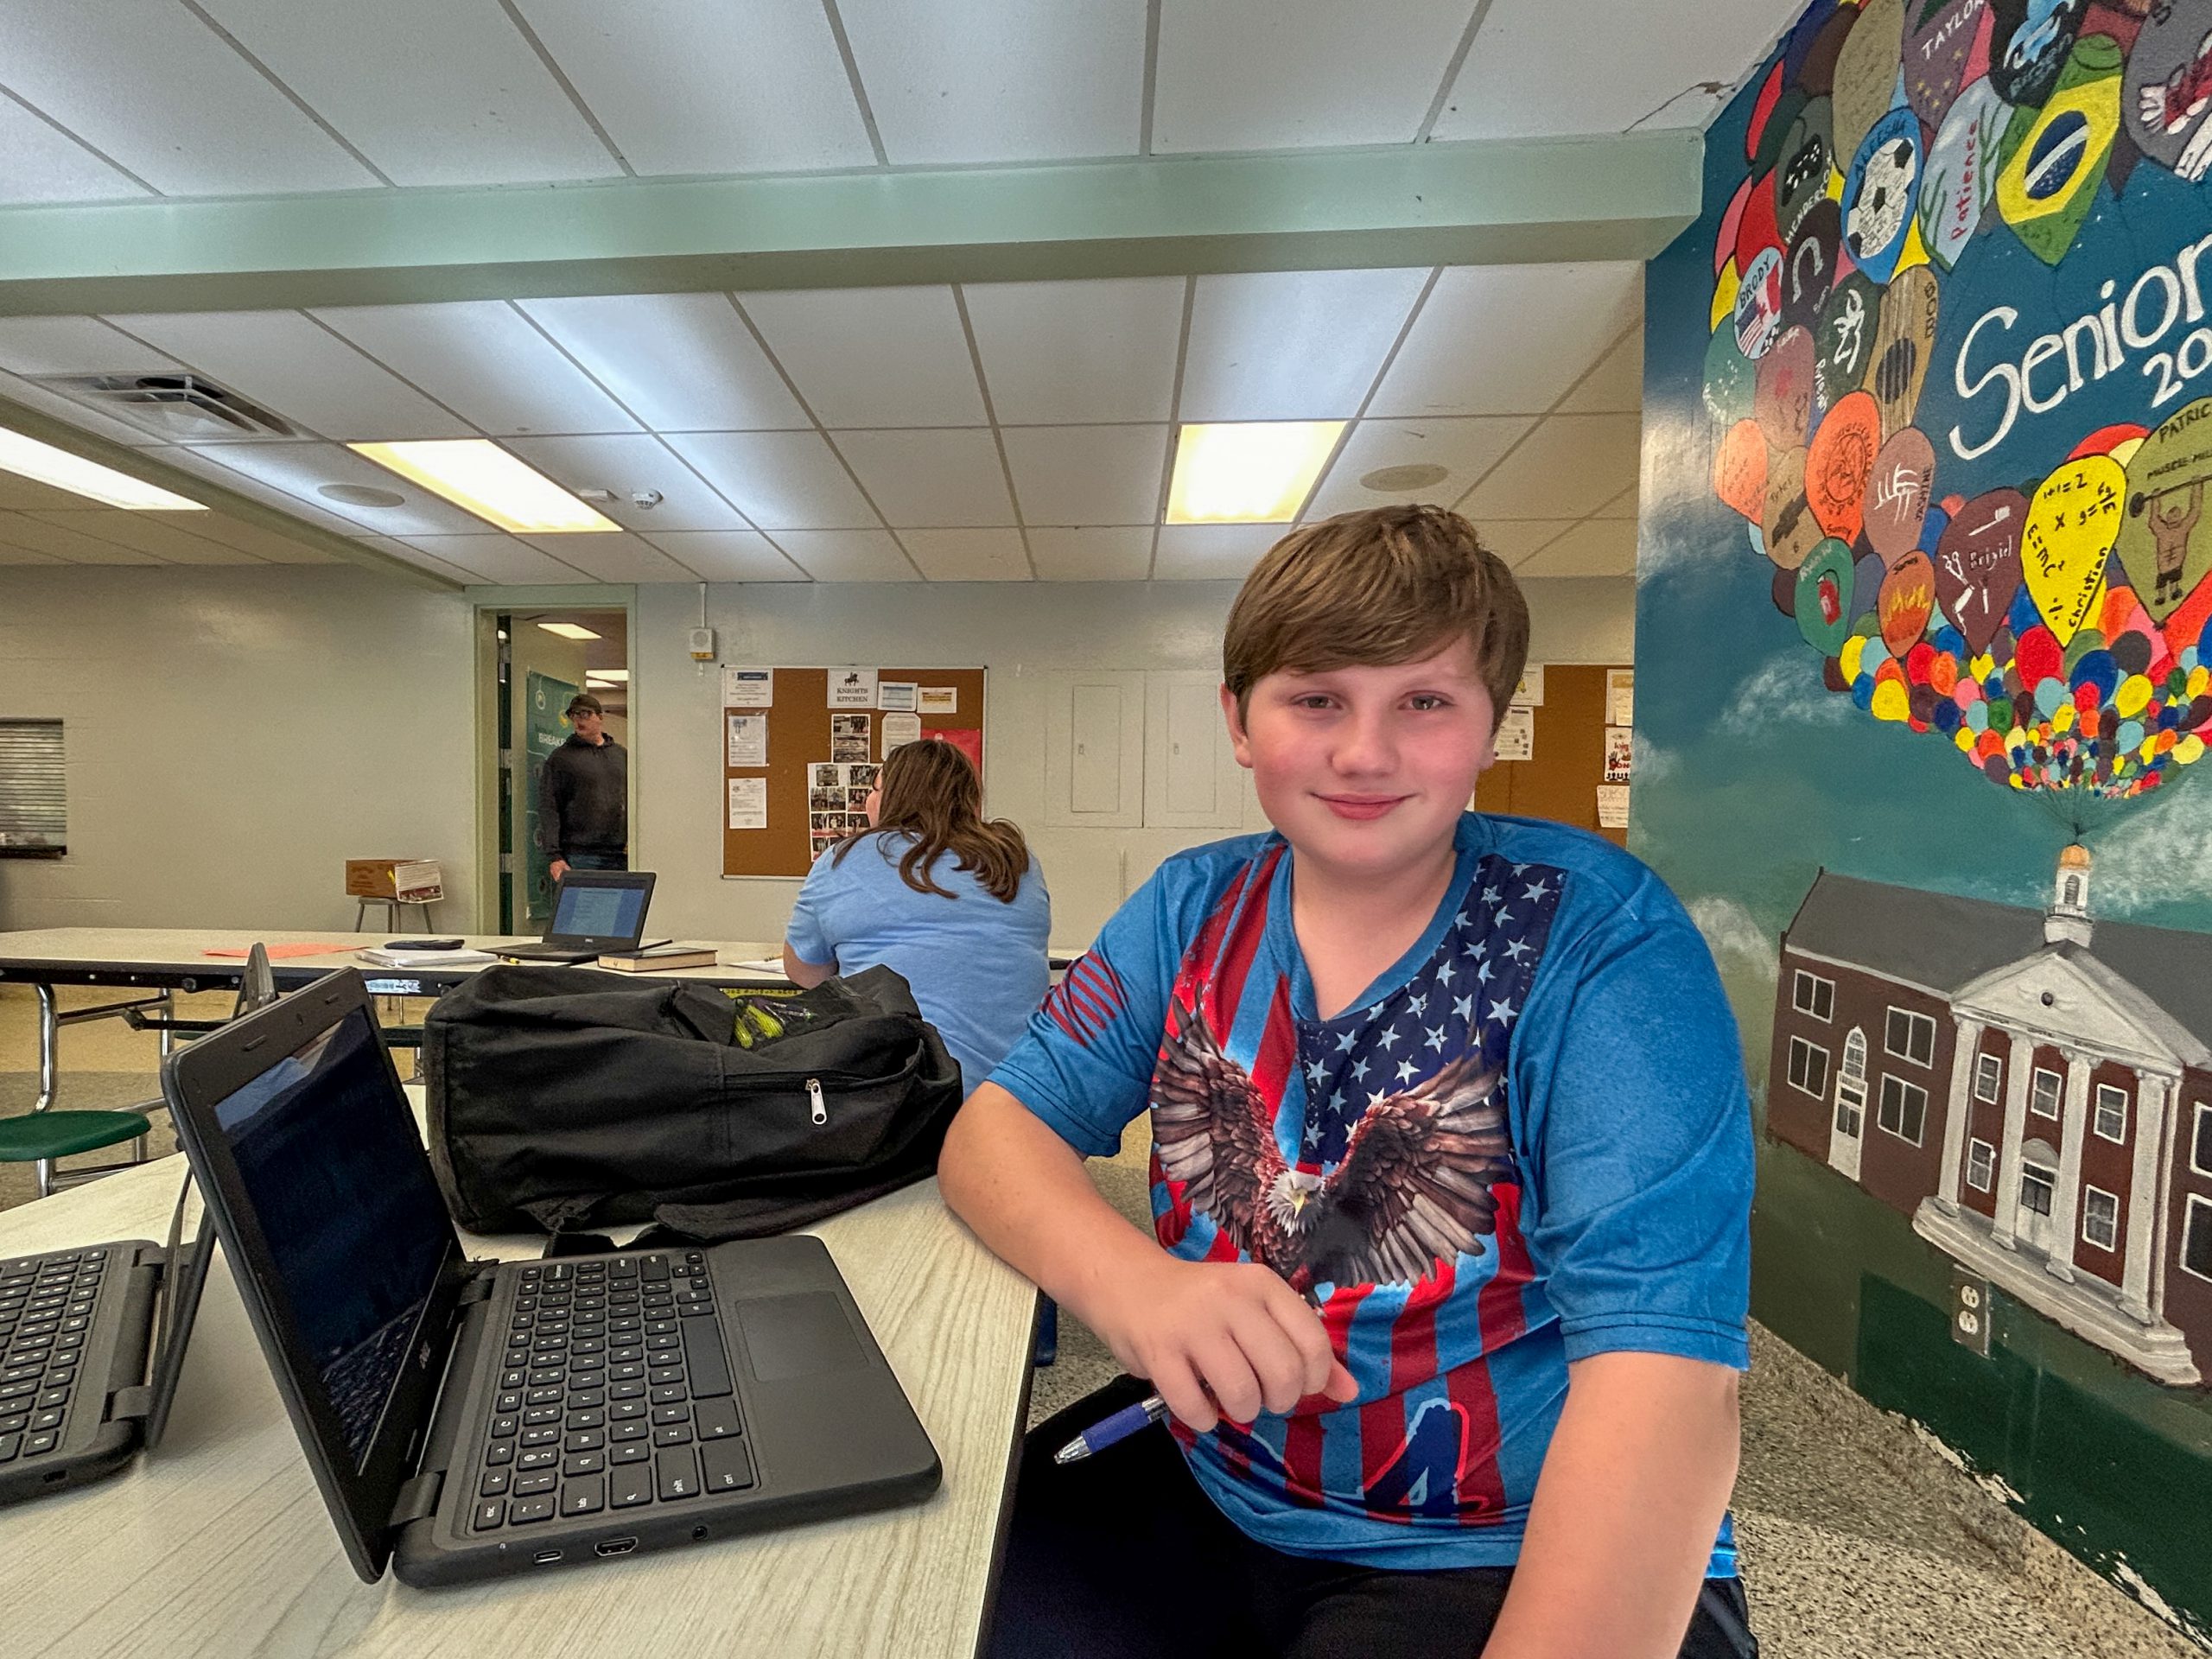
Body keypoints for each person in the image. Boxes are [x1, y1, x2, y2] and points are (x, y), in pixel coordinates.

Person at [938, 505, 1758, 1659]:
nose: (1365, 752)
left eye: (1424, 702)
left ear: (1492, 724)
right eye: (1316, 698)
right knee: (914, 1604)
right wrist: (1139, 1288)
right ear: (1239, 719)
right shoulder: (1189, 911)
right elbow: (994, 1134)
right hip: (1213, 1475)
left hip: (1503, 1542)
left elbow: (1669, 1385)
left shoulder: (1601, 945)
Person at [782, 737, 1051, 1096]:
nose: (867, 801)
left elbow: (804, 971)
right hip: (1022, 1091)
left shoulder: (843, 860)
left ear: (894, 795)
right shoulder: (1017, 860)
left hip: (904, 1091)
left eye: (875, 789)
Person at [542, 691, 628, 881]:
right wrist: (554, 856)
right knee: (586, 909)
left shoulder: (621, 755)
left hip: (620, 853)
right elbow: (550, 807)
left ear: (600, 718)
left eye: (585, 714)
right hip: (580, 854)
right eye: (574, 715)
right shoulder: (561, 759)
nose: (579, 720)